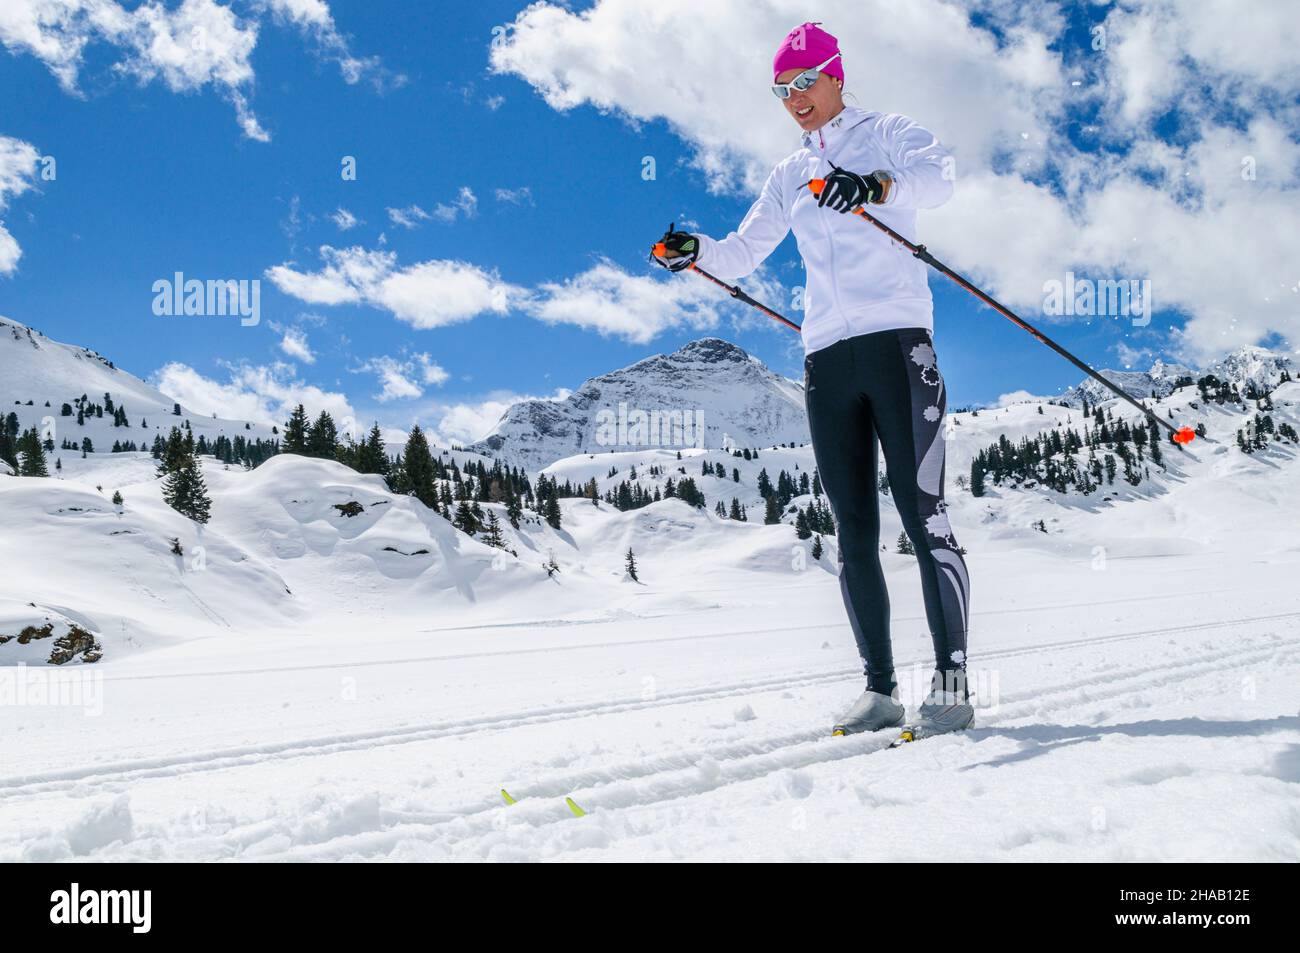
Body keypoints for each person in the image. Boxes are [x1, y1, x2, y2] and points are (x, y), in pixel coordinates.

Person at [651, 22, 972, 737]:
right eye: (781, 89)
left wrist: (876, 184)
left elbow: (941, 178)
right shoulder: (789, 174)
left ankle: (952, 682)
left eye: (804, 83)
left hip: (896, 343)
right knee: (853, 527)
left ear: (835, 74)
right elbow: (740, 252)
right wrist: (693, 250)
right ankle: (881, 689)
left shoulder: (886, 131)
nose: (794, 99)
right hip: (827, 358)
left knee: (925, 517)